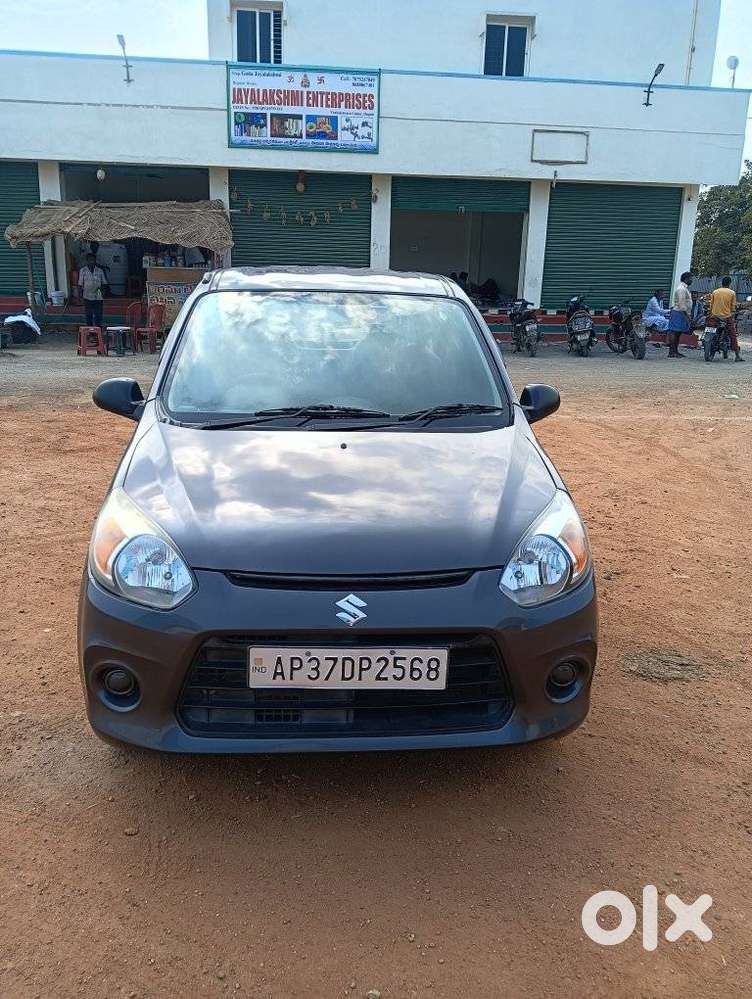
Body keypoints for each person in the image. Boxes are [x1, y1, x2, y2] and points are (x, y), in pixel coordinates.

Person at [708, 276, 744, 362]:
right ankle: (737, 355)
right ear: (729, 283)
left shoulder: (715, 292)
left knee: (709, 330)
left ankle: (710, 351)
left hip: (714, 316)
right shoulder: (732, 293)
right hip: (726, 317)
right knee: (733, 335)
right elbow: (733, 308)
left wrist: (711, 314)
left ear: (722, 283)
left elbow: (711, 306)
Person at [77, 252, 108, 328]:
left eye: (93, 260)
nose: (92, 262)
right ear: (87, 261)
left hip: (98, 294)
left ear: (95, 260)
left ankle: (98, 331)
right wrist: (79, 297)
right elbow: (80, 284)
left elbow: (104, 283)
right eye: (90, 260)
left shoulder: (100, 270)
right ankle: (90, 331)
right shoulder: (83, 270)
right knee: (89, 315)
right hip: (87, 295)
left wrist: (102, 293)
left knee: (98, 315)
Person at [666, 271, 693, 358]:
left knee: (678, 333)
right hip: (679, 313)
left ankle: (675, 351)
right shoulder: (681, 289)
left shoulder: (684, 288)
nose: (691, 280)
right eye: (690, 278)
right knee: (674, 332)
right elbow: (682, 305)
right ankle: (672, 352)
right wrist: (687, 316)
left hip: (681, 313)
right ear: (686, 279)